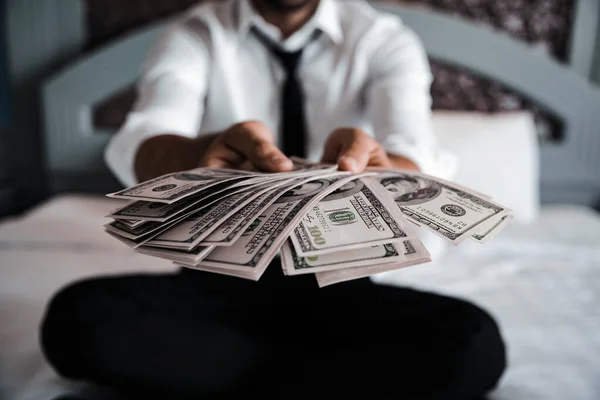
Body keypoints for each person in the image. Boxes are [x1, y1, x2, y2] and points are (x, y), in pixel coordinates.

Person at [41, 0, 506, 399]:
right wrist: (199, 153)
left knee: (474, 343)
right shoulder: (195, 33)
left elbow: (415, 149)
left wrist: (383, 166)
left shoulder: (383, 40)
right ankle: (319, 378)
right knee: (75, 320)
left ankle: (226, 376)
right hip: (218, 280)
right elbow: (145, 135)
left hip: (340, 287)